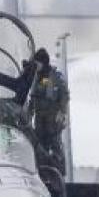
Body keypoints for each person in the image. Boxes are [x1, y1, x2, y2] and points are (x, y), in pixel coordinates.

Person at [28, 47, 70, 176]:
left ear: (43, 62)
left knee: (55, 143)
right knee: (40, 144)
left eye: (37, 63)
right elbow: (33, 97)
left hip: (52, 117)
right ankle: (43, 171)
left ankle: (60, 173)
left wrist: (62, 112)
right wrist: (29, 113)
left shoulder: (55, 76)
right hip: (40, 117)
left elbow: (64, 95)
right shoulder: (36, 77)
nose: (36, 66)